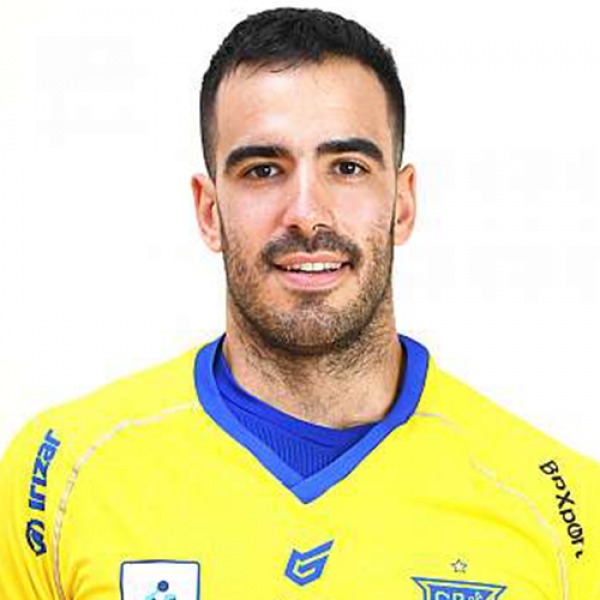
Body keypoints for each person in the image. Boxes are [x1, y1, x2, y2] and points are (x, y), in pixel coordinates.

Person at [1, 7, 598, 599]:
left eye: (347, 167)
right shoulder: (59, 476)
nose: (307, 214)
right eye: (263, 170)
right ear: (209, 211)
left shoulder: (562, 508)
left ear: (403, 203)